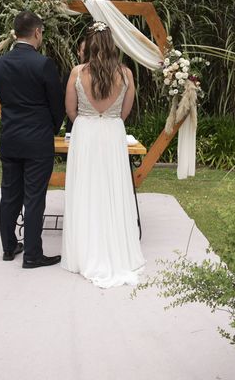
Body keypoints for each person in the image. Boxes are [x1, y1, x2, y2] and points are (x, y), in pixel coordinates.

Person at [61, 21, 145, 287]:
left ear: (90, 45)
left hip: (85, 132)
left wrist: (88, 120)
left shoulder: (76, 72)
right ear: (113, 45)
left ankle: (84, 251)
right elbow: (124, 113)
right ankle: (115, 247)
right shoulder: (126, 74)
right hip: (111, 132)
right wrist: (107, 119)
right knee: (112, 188)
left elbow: (70, 111)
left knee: (85, 189)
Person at [0, 11, 65, 268]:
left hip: (10, 137)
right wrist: (51, 128)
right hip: (37, 141)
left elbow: (3, 98)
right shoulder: (43, 64)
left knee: (9, 194)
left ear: (15, 34)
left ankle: (9, 247)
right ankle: (33, 254)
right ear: (37, 32)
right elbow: (56, 105)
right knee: (34, 196)